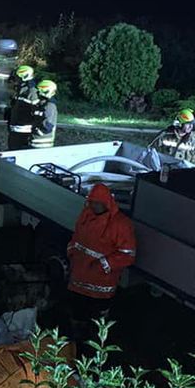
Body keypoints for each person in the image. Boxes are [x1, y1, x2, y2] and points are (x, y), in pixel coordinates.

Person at [66, 183, 136, 346]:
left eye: (97, 203)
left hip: (101, 285)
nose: (94, 206)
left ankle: (97, 346)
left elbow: (128, 254)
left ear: (106, 203)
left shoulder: (121, 224)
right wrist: (71, 250)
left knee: (98, 320)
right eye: (91, 202)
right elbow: (77, 236)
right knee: (76, 313)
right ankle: (76, 342)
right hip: (79, 279)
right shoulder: (86, 215)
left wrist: (104, 264)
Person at [7, 65, 39, 150]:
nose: (16, 80)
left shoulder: (32, 92)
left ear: (24, 77)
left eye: (17, 78)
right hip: (15, 128)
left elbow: (36, 113)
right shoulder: (21, 90)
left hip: (24, 131)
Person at [30, 79, 59, 149]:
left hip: (43, 143)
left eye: (39, 91)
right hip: (35, 140)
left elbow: (48, 124)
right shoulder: (40, 104)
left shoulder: (50, 106)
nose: (37, 93)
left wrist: (38, 131)